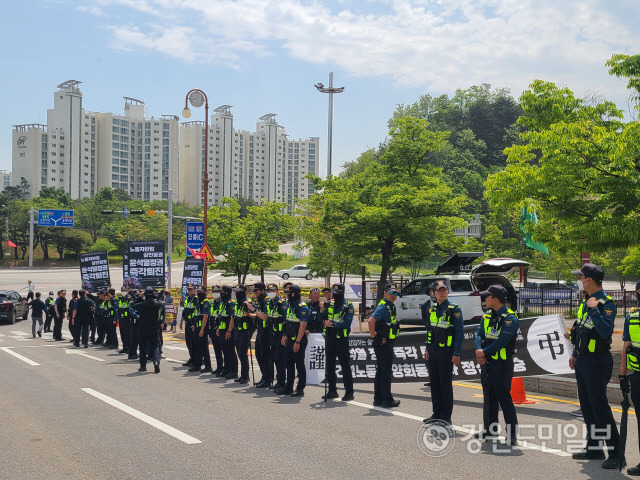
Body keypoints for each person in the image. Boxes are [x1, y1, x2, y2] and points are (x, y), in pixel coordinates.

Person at [568, 263, 623, 469]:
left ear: (589, 280)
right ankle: (594, 448)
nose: (579, 280)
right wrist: (575, 353)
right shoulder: (586, 301)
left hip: (597, 361)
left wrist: (594, 310)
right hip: (583, 359)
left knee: (600, 408)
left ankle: (616, 453)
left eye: (580, 277)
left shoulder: (605, 303)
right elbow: (581, 330)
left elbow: (604, 332)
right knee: (587, 406)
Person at [474, 285, 519, 446]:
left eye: (487, 296)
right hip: (487, 363)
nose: (485, 299)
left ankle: (512, 434)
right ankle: (490, 430)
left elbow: (502, 341)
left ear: (495, 299)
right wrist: (480, 350)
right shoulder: (487, 316)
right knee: (489, 398)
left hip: (501, 364)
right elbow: (479, 334)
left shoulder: (510, 318)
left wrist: (483, 352)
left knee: (503, 398)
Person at [422, 280, 463, 424]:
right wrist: (427, 348)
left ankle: (446, 417)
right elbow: (430, 330)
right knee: (435, 383)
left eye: (444, 290)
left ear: (448, 292)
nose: (442, 293)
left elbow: (459, 333)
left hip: (446, 351)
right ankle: (436, 413)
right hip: (433, 350)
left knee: (445, 384)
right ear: (434, 293)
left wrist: (456, 353)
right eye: (439, 290)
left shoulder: (454, 309)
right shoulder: (432, 308)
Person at [367, 284, 401, 408]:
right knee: (385, 371)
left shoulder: (389, 306)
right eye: (391, 293)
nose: (393, 295)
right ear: (385, 294)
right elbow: (371, 321)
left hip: (385, 341)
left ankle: (378, 398)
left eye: (395, 293)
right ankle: (387, 399)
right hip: (383, 342)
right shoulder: (383, 306)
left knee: (381, 371)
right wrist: (374, 337)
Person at [620, 281, 640, 476]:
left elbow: (626, 347)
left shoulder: (632, 317)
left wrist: (622, 376)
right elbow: (626, 347)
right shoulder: (632, 317)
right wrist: (623, 376)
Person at [322, 283, 355, 401]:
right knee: (329, 366)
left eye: (337, 294)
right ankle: (332, 390)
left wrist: (333, 325)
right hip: (330, 338)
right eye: (334, 294)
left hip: (341, 340)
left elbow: (347, 323)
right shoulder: (330, 303)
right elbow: (324, 318)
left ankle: (349, 392)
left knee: (345, 366)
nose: (335, 296)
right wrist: (323, 311)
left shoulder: (348, 305)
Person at [280, 284, 309, 397]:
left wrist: (297, 342)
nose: (286, 295)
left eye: (288, 293)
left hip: (298, 341)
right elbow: (288, 323)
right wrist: (285, 335)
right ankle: (289, 387)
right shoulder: (290, 306)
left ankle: (300, 388)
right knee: (289, 364)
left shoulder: (302, 307)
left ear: (293, 294)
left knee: (299, 365)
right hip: (289, 339)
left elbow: (302, 326)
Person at [131, 286, 164, 373]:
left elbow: (133, 305)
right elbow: (159, 303)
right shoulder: (158, 304)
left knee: (142, 347)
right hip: (154, 328)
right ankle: (156, 361)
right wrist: (155, 296)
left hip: (143, 328)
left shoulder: (142, 304)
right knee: (155, 346)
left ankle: (143, 366)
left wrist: (140, 298)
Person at [247, 282, 272, 388]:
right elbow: (259, 315)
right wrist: (249, 314)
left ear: (262, 291)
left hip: (266, 331)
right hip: (260, 331)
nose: (255, 294)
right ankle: (264, 377)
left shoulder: (267, 301)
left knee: (265, 356)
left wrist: (254, 310)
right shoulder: (261, 301)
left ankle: (267, 379)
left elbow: (265, 317)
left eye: (256, 291)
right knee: (259, 355)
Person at [267, 284, 287, 392]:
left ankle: (282, 383)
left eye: (272, 290)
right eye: (269, 290)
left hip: (280, 336)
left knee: (280, 360)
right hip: (272, 335)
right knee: (275, 359)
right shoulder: (270, 303)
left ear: (277, 291)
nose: (270, 292)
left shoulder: (282, 304)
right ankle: (278, 381)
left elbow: (285, 320)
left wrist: (284, 335)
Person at [217, 286, 238, 380]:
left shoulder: (231, 303)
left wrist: (229, 331)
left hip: (228, 331)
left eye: (223, 292)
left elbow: (232, 318)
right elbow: (221, 316)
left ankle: (234, 371)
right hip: (222, 330)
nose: (221, 293)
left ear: (228, 293)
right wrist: (218, 328)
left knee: (231, 352)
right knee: (225, 351)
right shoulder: (223, 303)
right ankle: (226, 369)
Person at [190, 286, 212, 373]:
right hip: (197, 327)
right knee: (197, 347)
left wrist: (202, 330)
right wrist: (194, 325)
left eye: (201, 292)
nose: (199, 293)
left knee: (204, 348)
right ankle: (197, 365)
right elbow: (196, 315)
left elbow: (205, 316)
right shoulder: (199, 302)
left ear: (205, 292)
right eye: (198, 291)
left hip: (203, 328)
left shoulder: (206, 302)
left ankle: (208, 366)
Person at [233, 285, 252, 384]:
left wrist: (248, 314)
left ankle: (246, 376)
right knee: (239, 354)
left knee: (243, 354)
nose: (236, 294)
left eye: (238, 292)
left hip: (245, 331)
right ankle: (242, 375)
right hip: (237, 331)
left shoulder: (247, 302)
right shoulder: (238, 303)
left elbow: (254, 314)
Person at [181, 284, 200, 368]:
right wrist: (181, 321)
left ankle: (196, 359)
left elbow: (196, 313)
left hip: (193, 323)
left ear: (195, 290)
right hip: (187, 323)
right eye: (189, 289)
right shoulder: (187, 299)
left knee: (194, 343)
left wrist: (194, 324)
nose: (190, 291)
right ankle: (192, 358)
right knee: (188, 342)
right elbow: (184, 311)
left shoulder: (196, 300)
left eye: (191, 289)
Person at [209, 285, 225, 376]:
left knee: (223, 350)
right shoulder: (213, 303)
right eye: (214, 292)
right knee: (217, 350)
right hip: (213, 329)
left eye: (217, 292)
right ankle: (219, 367)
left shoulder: (222, 303)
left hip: (220, 329)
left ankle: (225, 368)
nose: (215, 294)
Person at [118, 287, 133, 355]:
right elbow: (119, 308)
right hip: (121, 318)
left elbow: (130, 308)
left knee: (128, 334)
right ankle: (124, 347)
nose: (123, 292)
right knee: (122, 333)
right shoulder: (120, 298)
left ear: (127, 291)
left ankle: (129, 348)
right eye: (122, 291)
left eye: (124, 290)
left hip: (127, 318)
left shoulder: (129, 298)